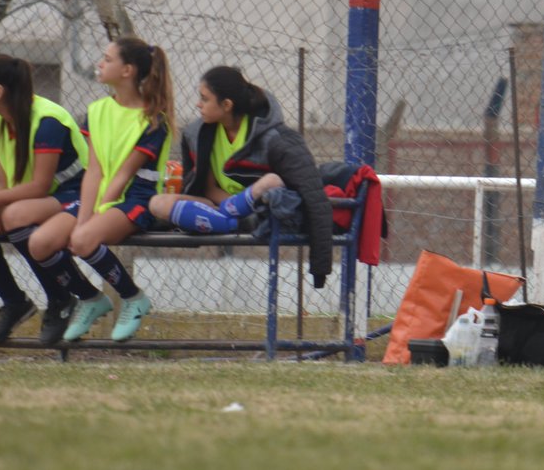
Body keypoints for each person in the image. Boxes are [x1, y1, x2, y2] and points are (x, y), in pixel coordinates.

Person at [29, 37, 174, 341]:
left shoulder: (152, 119)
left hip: (135, 199)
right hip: (99, 198)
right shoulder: (96, 111)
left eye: (107, 59)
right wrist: (84, 215)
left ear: (128, 71)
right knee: (40, 243)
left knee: (81, 240)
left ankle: (133, 298)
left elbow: (123, 175)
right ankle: (91, 299)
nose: (100, 63)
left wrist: (91, 220)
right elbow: (94, 171)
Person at [147, 66, 332, 288]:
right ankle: (231, 221)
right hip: (222, 208)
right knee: (158, 204)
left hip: (263, 213)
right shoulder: (195, 135)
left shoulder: (278, 139)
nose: (198, 104)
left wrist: (320, 266)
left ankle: (223, 221)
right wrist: (230, 206)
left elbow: (315, 197)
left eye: (204, 99)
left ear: (226, 105)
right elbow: (204, 188)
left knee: (270, 182)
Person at [0, 54, 98, 346]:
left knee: (15, 215)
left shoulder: (47, 120)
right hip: (41, 198)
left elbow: (39, 185)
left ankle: (61, 299)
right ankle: (15, 303)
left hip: (78, 196)